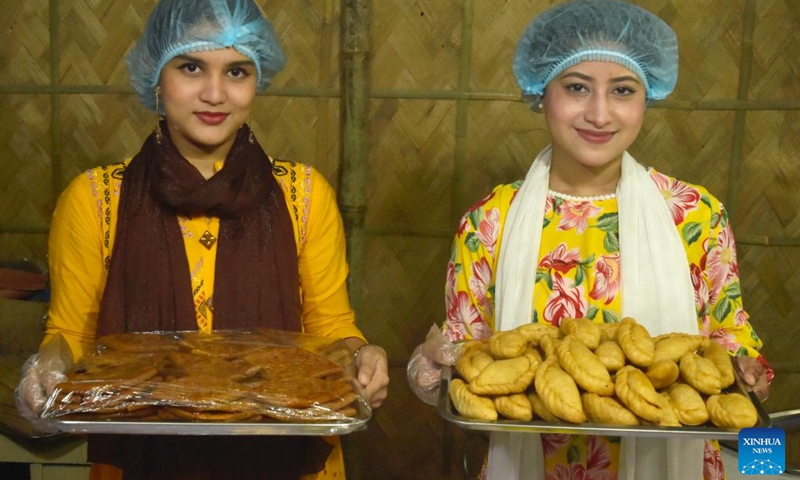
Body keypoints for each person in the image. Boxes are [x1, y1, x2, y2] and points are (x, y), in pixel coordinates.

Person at [16, 0, 388, 479]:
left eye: (236, 71)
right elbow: (71, 334)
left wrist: (362, 356)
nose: (215, 94)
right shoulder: (95, 201)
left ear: (258, 79)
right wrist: (47, 365)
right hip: (142, 466)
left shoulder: (304, 196)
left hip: (289, 464)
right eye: (191, 67)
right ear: (156, 73)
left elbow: (330, 327)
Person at [408, 1, 772, 479]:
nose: (599, 114)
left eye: (623, 90)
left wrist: (750, 371)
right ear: (542, 92)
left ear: (647, 97)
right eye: (577, 87)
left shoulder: (695, 215)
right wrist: (432, 367)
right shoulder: (490, 221)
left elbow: (730, 338)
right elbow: (468, 357)